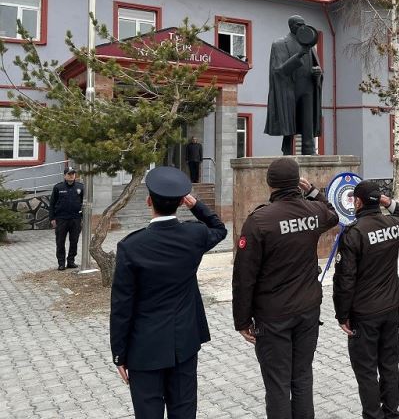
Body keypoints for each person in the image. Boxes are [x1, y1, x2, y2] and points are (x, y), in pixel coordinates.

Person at [110, 166, 227, 419]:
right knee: (184, 411)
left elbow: (121, 306)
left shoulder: (131, 246)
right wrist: (196, 205)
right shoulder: (194, 234)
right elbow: (219, 228)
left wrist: (119, 353)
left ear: (149, 200)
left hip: (144, 348)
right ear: (180, 202)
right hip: (184, 343)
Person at [231, 157, 339, 419]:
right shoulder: (313, 212)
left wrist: (242, 320)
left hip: (273, 315)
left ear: (270, 184)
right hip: (307, 309)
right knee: (302, 377)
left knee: (278, 384)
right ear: (296, 183)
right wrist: (313, 191)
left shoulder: (259, 221)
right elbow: (333, 214)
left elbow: (244, 276)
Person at [333, 181, 399, 419]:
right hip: (391, 307)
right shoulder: (394, 224)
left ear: (357, 202)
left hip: (364, 313)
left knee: (366, 369)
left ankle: (373, 415)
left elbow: (345, 280)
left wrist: (342, 315)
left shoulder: (354, 232)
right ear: (378, 201)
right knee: (389, 365)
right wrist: (389, 203)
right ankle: (391, 413)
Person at [265, 15, 323, 156]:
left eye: (303, 24)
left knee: (308, 120)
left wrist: (318, 73)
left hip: (308, 87)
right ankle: (287, 151)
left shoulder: (310, 47)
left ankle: (309, 150)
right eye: (298, 25)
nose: (302, 27)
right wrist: (299, 55)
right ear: (291, 26)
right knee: (288, 122)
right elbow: (278, 71)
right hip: (289, 88)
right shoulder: (279, 44)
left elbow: (317, 67)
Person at [49, 166, 84, 270]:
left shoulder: (81, 187)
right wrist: (52, 218)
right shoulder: (58, 188)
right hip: (61, 219)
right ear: (64, 176)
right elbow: (52, 204)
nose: (71, 175)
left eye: (73, 173)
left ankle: (71, 262)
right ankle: (61, 263)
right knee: (60, 242)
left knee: (74, 241)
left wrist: (82, 218)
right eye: (69, 174)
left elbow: (84, 203)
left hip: (75, 219)